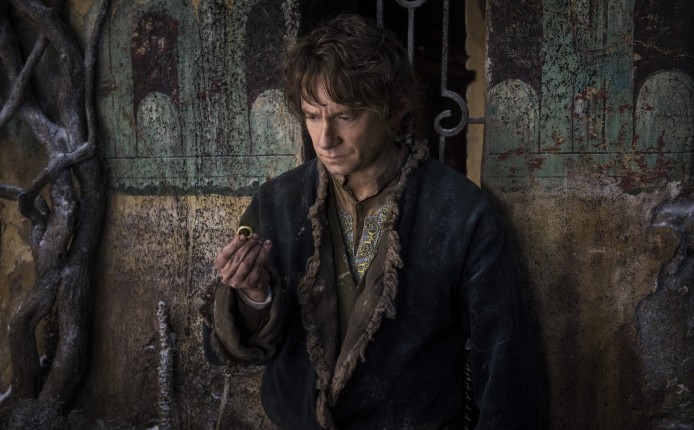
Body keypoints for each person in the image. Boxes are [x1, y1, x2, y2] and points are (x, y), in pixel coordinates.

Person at [200, 13, 538, 429]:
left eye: (345, 116)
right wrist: (254, 295)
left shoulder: (460, 212)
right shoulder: (277, 203)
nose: (325, 139)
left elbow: (503, 364)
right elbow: (227, 350)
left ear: (394, 109)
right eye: (312, 116)